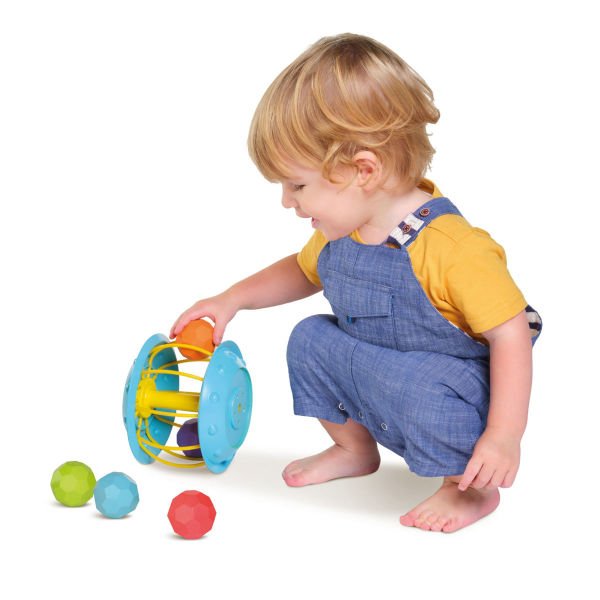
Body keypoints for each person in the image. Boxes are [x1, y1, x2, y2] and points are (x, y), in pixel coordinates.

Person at [170, 33, 542, 533]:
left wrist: (504, 435)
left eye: (297, 185)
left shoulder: (455, 248)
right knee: (310, 338)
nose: (287, 201)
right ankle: (354, 449)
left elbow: (511, 333)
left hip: (449, 393)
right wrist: (231, 299)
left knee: (425, 389)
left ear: (363, 170)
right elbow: (302, 271)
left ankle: (470, 490)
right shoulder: (344, 229)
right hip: (385, 371)